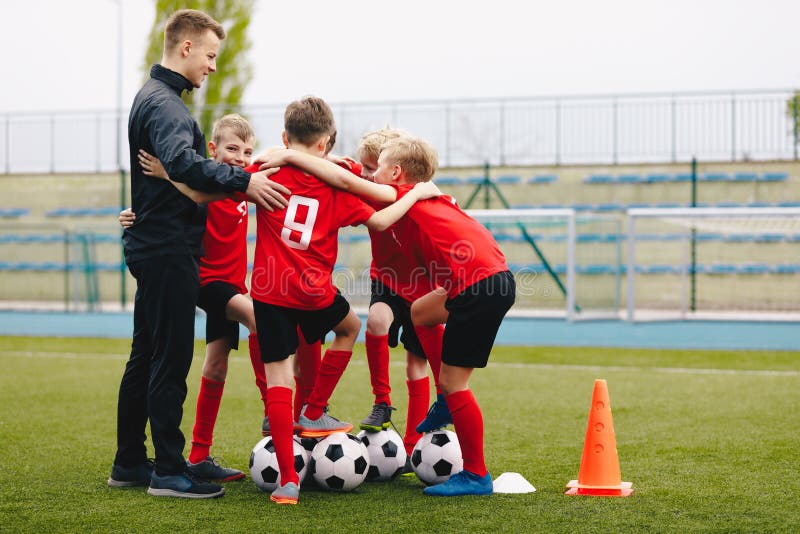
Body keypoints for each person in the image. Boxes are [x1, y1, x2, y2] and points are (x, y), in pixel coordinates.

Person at [109, 9, 290, 500]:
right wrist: (245, 181)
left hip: (155, 244)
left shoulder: (153, 98)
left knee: (145, 355)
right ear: (185, 47)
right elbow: (184, 163)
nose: (212, 66)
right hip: (167, 250)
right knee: (167, 359)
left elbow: (176, 174)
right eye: (209, 54)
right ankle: (169, 470)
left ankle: (129, 462)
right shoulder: (166, 105)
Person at [248, 96, 441, 505]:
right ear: (326, 145)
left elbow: (223, 186)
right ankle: (315, 409)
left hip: (267, 290)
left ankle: (287, 482)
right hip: (313, 290)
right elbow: (380, 217)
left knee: (280, 376)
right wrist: (419, 193)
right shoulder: (335, 187)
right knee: (349, 327)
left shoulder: (265, 170)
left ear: (285, 136)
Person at [119, 114, 324, 482]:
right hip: (206, 281)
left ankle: (199, 455)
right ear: (213, 149)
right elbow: (180, 199)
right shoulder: (203, 183)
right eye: (232, 149)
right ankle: (274, 412)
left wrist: (330, 160)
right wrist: (137, 211)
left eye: (247, 151)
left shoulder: (246, 180)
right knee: (259, 318)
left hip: (231, 283)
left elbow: (283, 155)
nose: (241, 158)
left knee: (215, 365)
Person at [378, 136, 516, 496]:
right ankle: (444, 399)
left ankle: (476, 475)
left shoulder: (402, 197)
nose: (371, 173)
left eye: (377, 166)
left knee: (458, 384)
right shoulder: (437, 196)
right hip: (484, 279)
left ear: (396, 172)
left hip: (479, 286)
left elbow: (357, 195)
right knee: (420, 311)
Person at [347, 128, 446, 458]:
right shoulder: (367, 184)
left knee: (416, 365)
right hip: (387, 281)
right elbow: (342, 172)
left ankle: (412, 445)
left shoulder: (415, 197)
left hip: (423, 289)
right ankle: (382, 402)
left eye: (368, 167)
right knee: (376, 320)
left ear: (391, 170)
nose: (362, 173)